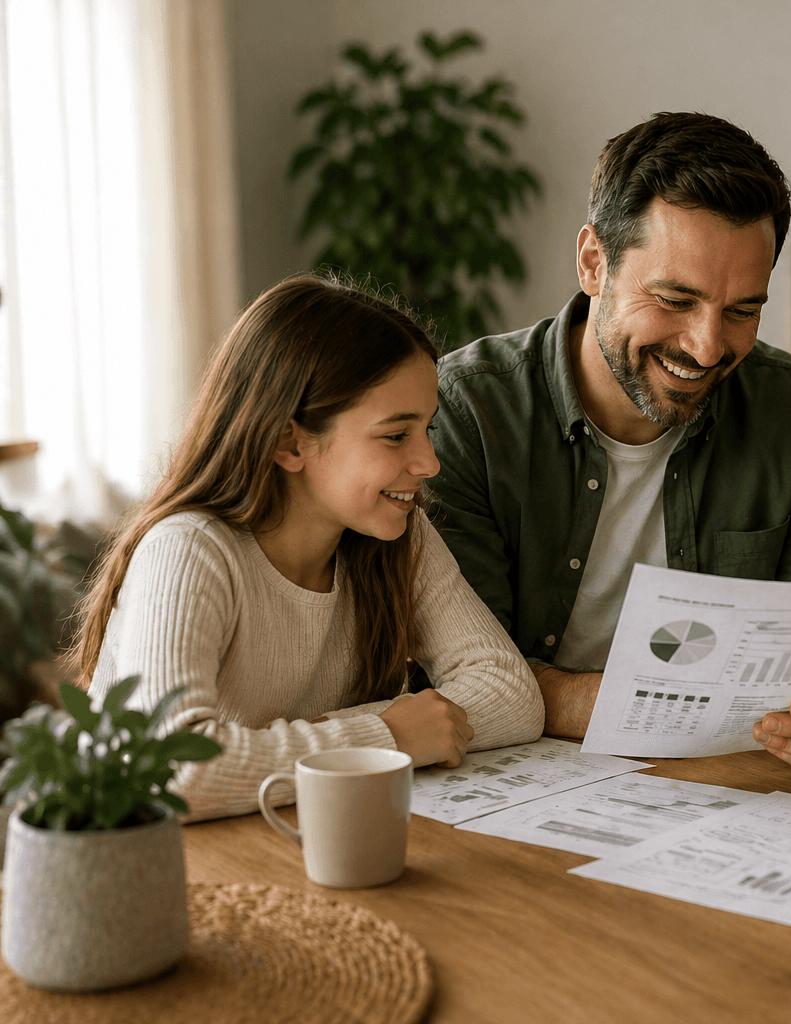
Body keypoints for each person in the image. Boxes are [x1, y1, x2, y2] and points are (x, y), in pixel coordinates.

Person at [427, 112, 791, 780]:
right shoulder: (469, 408)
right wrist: (677, 709)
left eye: (742, 311)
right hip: (517, 774)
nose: (707, 347)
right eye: (676, 299)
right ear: (594, 262)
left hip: (733, 778)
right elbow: (464, 670)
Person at [75, 275, 544, 822]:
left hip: (292, 837)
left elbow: (512, 694)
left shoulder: (395, 535)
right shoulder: (188, 551)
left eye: (427, 429)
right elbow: (172, 770)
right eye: (396, 435)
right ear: (289, 442)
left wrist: (316, 745)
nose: (429, 462)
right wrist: (385, 736)